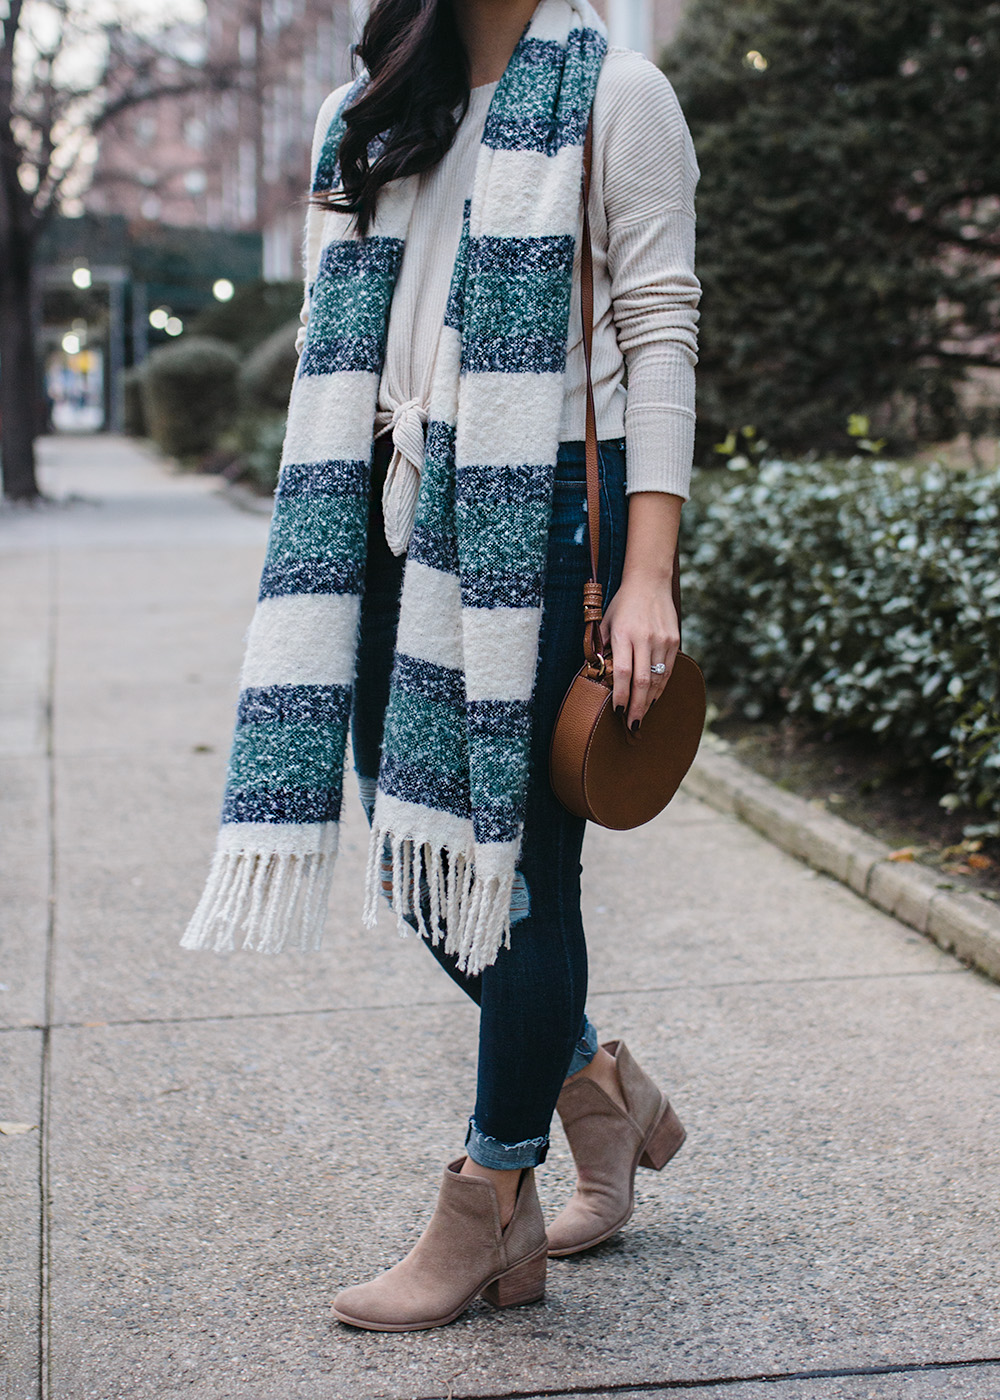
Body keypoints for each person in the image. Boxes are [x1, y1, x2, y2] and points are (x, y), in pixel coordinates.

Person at [184, 0, 700, 1334]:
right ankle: (600, 1086)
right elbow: (331, 347)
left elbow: (659, 334)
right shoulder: (365, 113)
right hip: (376, 510)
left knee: (515, 870)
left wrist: (650, 572)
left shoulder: (617, 96)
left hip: (539, 520)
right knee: (414, 835)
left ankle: (491, 1203)